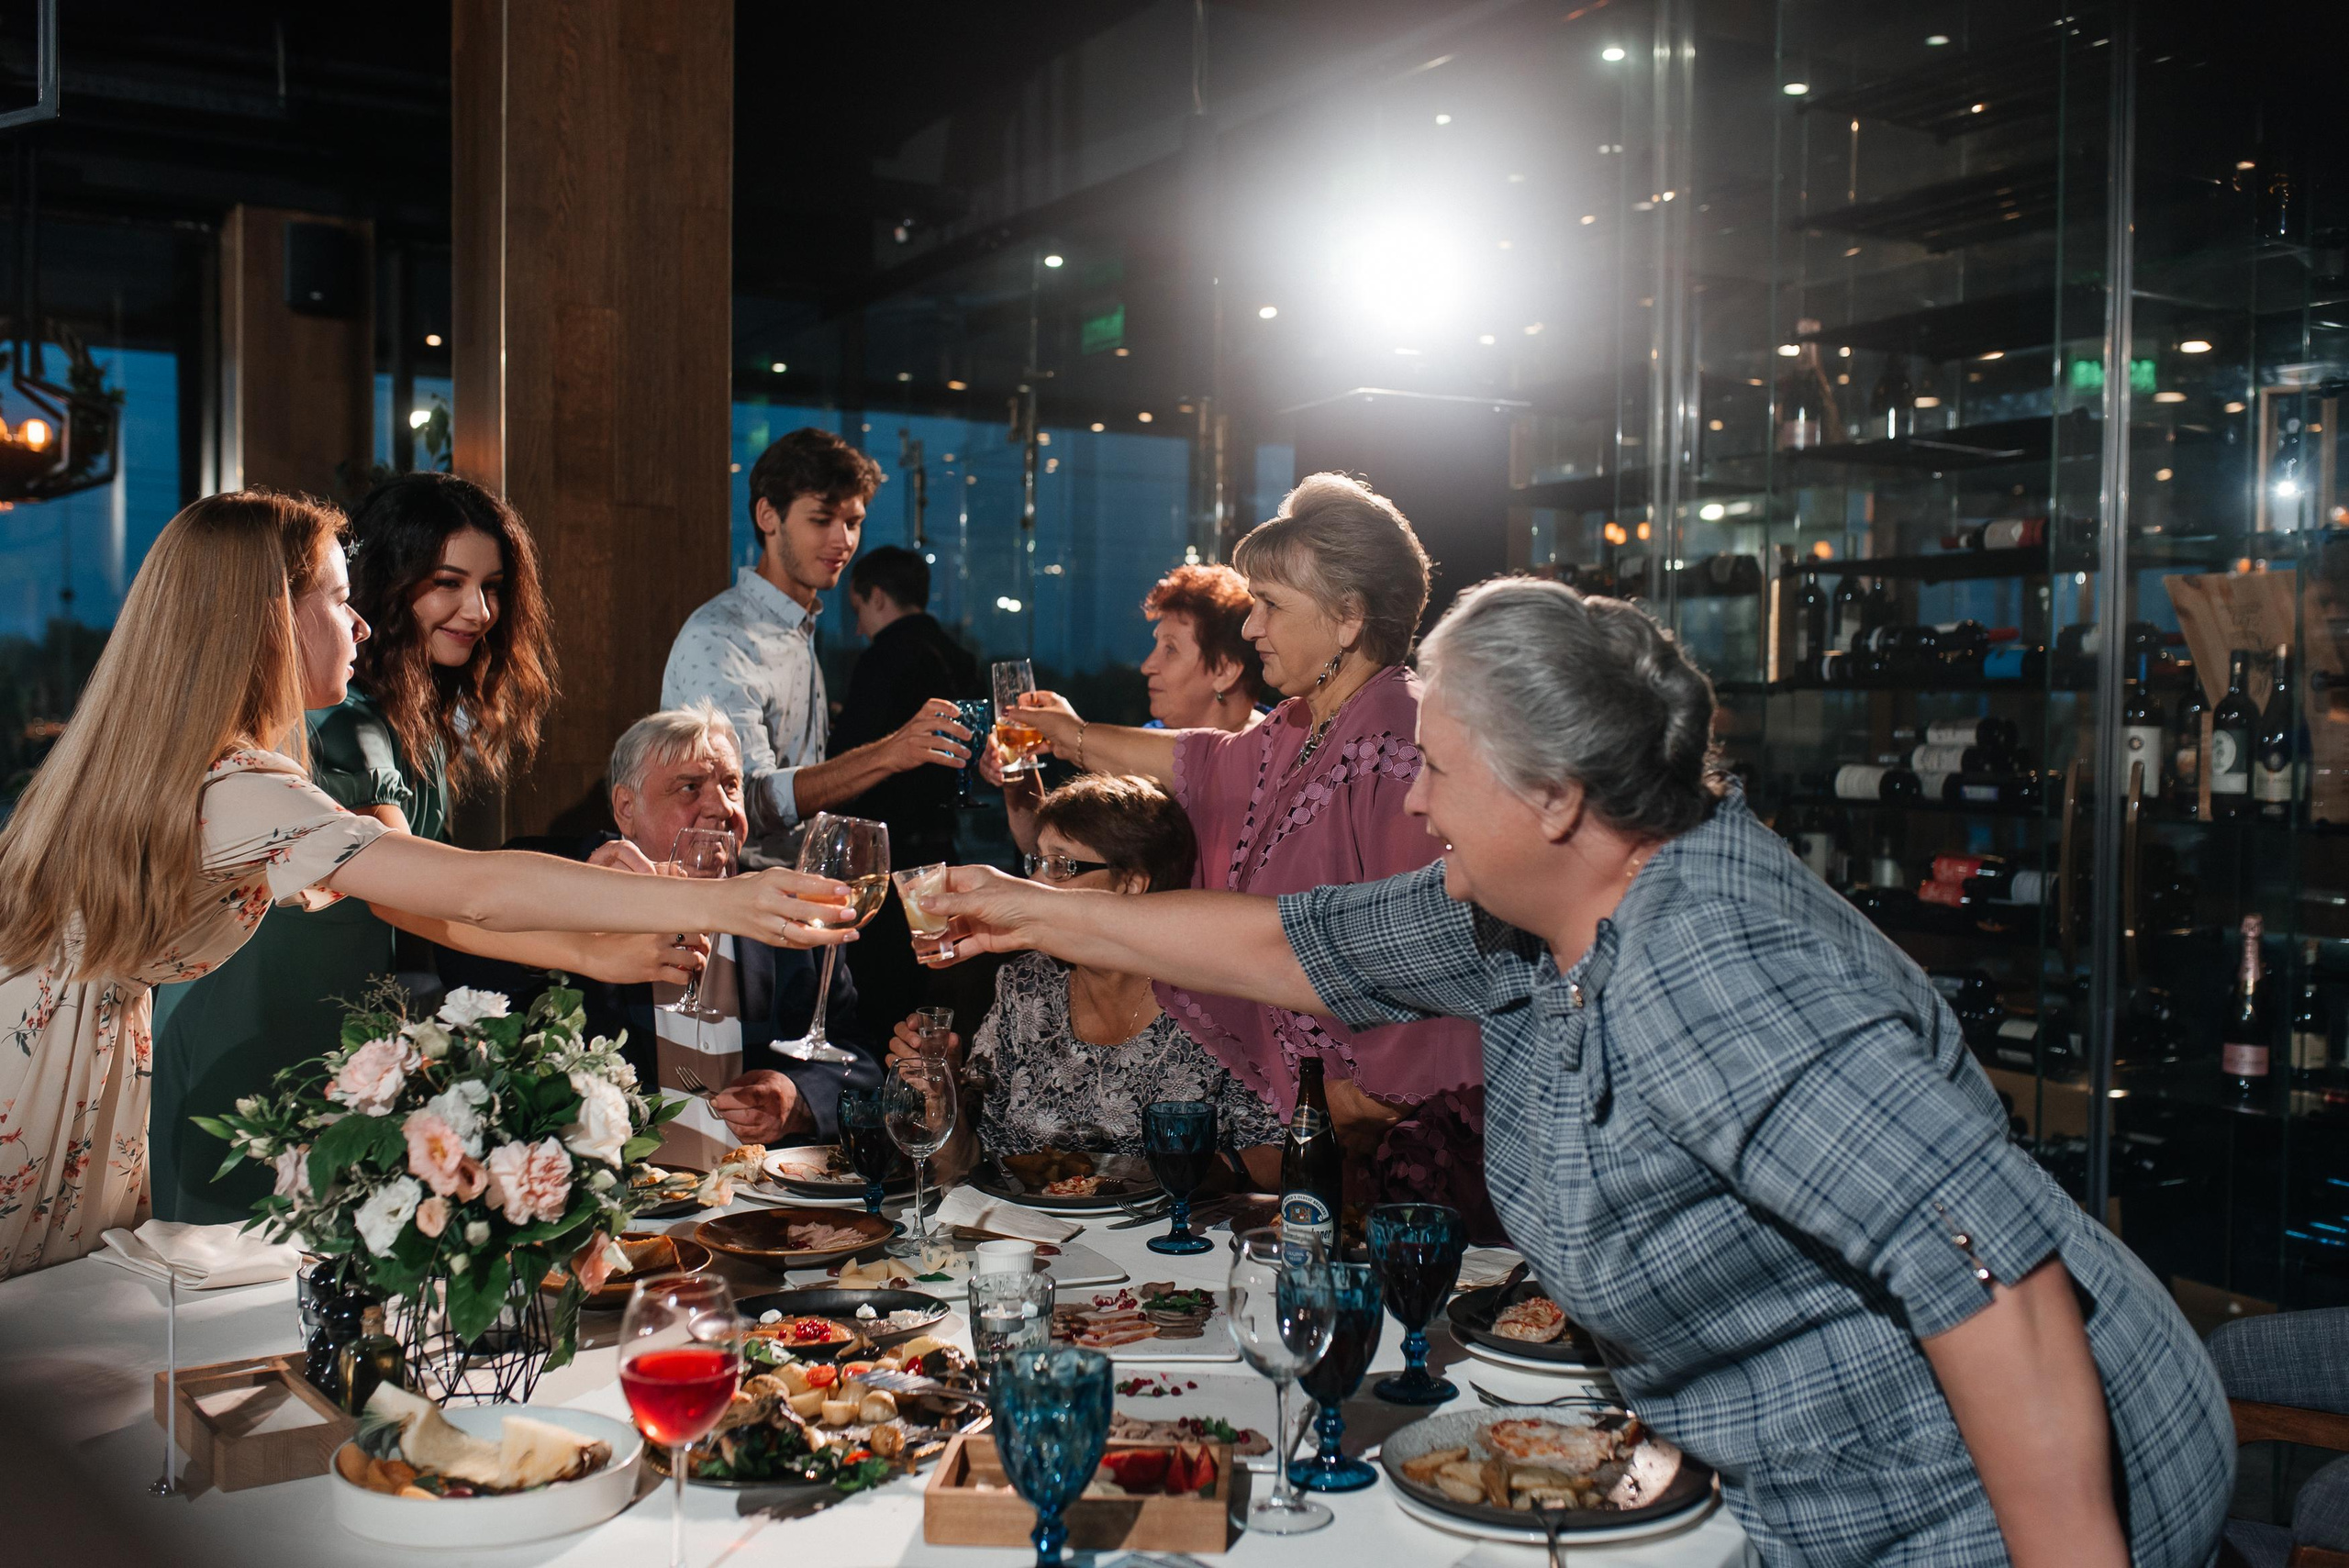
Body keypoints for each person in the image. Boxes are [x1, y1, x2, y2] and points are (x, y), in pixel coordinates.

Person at [924, 577, 2232, 1568]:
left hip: (1992, 1500)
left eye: (1437, 769)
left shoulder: (1709, 965)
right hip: (1802, 1480)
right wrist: (1025, 911)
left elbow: (1990, 1275)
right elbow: (1292, 941)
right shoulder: (1536, 902)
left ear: (1554, 795)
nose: (1418, 804)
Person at [0, 491, 857, 1279]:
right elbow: (465, 890)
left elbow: (450, 907)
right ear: (267, 620)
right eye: (340, 600)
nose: (361, 627)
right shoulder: (238, 785)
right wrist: (718, 899)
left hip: (79, 1052)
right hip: (48, 1079)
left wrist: (600, 949)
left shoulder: (201, 767)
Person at [996, 474, 1492, 1230]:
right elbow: (1200, 760)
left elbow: (1436, 948)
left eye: (1271, 605)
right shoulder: (1301, 724)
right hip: (1327, 1128)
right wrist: (1068, 737)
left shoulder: (1396, 733)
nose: (1253, 624)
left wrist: (1369, 1103)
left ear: (1349, 617)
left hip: (1396, 1143)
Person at [151, 473, 575, 1221]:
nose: (478, 610)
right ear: (388, 581)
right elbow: (429, 894)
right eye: (449, 582)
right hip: (256, 1024)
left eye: (491, 586)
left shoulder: (413, 721)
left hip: (334, 1020)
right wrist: (601, 941)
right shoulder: (346, 723)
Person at [440, 701, 883, 1168]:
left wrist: (798, 1099)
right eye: (690, 788)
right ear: (626, 809)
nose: (723, 808)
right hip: (611, 1210)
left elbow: (859, 1059)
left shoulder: (785, 911)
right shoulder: (565, 879)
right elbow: (465, 968)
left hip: (754, 1213)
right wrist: (584, 906)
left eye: (731, 786)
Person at [887, 774, 1280, 1185]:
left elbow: (1281, 1153)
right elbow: (966, 1165)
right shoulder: (1026, 985)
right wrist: (940, 1093)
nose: (1035, 884)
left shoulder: (1213, 998)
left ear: (1132, 883)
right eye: (1035, 862)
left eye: (1060, 865)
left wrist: (1173, 1180)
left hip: (1170, 1242)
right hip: (1030, 1242)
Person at [662, 428, 969, 866]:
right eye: (822, 519)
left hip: (797, 896)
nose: (842, 541)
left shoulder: (797, 627)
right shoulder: (720, 636)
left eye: (853, 522)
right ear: (768, 517)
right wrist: (890, 752)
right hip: (734, 909)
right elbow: (744, 801)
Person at [829, 544, 980, 1034]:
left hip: (890, 869)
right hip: (946, 856)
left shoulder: (883, 659)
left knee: (880, 1005)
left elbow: (845, 768)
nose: (857, 627)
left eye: (857, 611)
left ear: (875, 597)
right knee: (938, 995)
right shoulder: (962, 659)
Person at [1138, 563, 1268, 732]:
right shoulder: (1143, 744)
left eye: (1170, 649)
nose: (1147, 667)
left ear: (1225, 671)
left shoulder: (1289, 752)